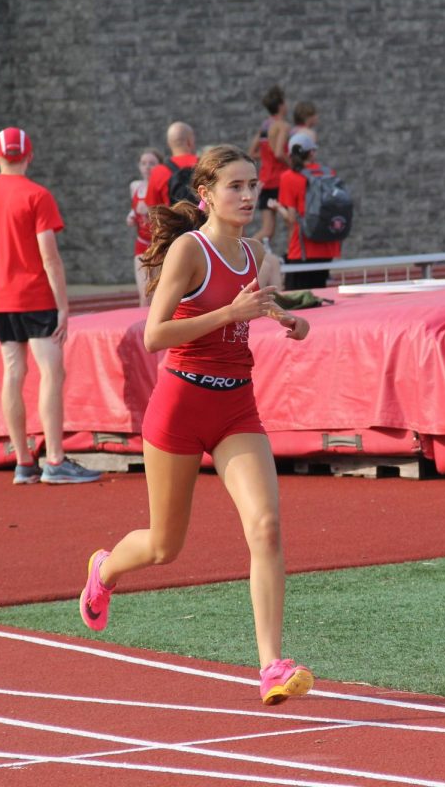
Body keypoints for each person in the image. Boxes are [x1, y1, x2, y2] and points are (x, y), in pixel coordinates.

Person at [77, 144, 314, 706]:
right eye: (235, 186)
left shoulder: (254, 253)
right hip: (181, 405)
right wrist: (230, 314)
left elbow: (253, 305)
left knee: (267, 527)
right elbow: (154, 335)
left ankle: (271, 666)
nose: (249, 195)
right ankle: (105, 570)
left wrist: (284, 316)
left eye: (253, 185)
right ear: (205, 193)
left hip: (237, 408)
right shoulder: (190, 250)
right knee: (164, 546)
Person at [0, 127, 102, 486]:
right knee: (51, 373)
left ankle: (23, 462)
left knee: (13, 373)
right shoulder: (38, 195)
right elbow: (50, 256)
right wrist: (63, 305)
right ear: (29, 156)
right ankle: (56, 460)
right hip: (35, 295)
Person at [271, 132, 341, 290]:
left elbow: (290, 218)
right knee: (321, 296)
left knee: (298, 299)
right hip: (327, 246)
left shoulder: (289, 177)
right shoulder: (328, 173)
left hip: (302, 249)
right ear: (312, 152)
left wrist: (278, 207)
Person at [248, 86, 289, 253]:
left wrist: (266, 157)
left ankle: (242, 252)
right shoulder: (282, 126)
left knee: (267, 230)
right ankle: (294, 259)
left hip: (265, 180)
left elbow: (252, 152)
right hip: (280, 180)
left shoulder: (264, 126)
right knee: (291, 222)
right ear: (280, 106)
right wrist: (293, 164)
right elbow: (279, 152)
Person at [126, 147, 164, 306]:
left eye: (152, 163)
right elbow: (134, 208)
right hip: (141, 244)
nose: (147, 167)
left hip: (160, 245)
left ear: (160, 166)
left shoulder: (162, 186)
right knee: (144, 294)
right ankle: (143, 330)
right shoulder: (135, 186)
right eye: (143, 163)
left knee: (158, 295)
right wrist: (132, 215)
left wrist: (150, 211)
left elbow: (170, 212)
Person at [146, 122, 198, 208]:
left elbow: (153, 208)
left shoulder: (158, 172)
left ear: (169, 143)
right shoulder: (205, 164)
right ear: (190, 141)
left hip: (173, 220)